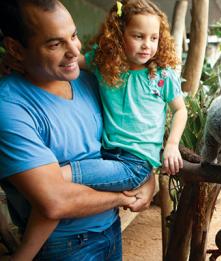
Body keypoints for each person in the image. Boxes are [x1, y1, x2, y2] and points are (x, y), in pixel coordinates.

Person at [0, 0, 159, 260]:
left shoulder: (90, 81)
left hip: (111, 229)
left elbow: (128, 140)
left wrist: (146, 176)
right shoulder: (10, 106)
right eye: (55, 43)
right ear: (16, 49)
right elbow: (54, 202)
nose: (74, 50)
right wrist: (124, 197)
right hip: (62, 246)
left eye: (73, 36)